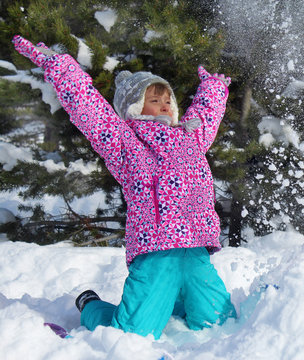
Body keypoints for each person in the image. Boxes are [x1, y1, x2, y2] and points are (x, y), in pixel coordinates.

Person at [12, 35, 236, 339]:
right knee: (132, 334)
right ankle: (91, 306)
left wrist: (213, 88)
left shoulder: (190, 137)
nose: (164, 105)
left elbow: (205, 116)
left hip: (196, 248)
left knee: (221, 323)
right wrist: (59, 66)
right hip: (156, 250)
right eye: (154, 100)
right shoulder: (124, 140)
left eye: (168, 99)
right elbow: (88, 108)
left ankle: (171, 303)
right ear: (133, 107)